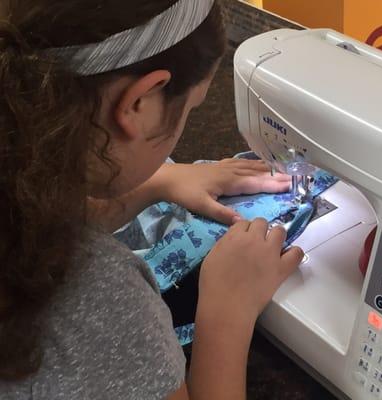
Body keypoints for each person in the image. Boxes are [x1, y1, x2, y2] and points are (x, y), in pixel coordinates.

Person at [0, 1, 304, 399]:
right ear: (139, 103)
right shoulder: (102, 299)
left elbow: (35, 216)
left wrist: (155, 182)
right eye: (189, 111)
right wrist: (227, 314)